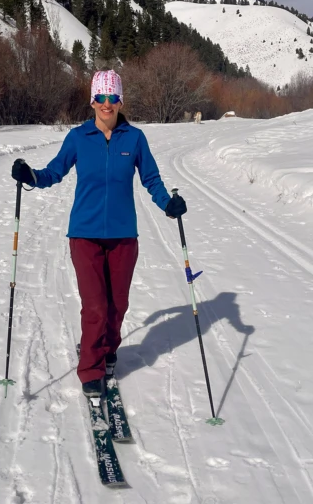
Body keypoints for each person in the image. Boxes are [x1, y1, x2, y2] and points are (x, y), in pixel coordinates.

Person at [10, 69, 187, 397]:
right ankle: (90, 368)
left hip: (123, 235)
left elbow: (151, 179)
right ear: (93, 101)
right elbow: (54, 171)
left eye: (113, 97)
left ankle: (107, 349)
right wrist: (31, 176)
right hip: (85, 234)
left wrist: (168, 203)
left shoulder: (134, 139)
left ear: (121, 101)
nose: (107, 103)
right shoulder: (78, 138)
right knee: (95, 305)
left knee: (117, 304)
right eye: (101, 97)